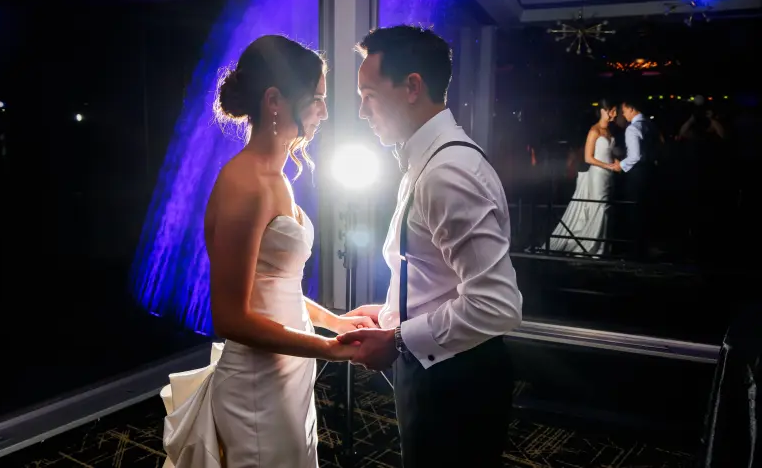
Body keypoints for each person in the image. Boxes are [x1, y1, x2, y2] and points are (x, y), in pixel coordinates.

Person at [163, 35, 376, 468]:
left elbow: (276, 288)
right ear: (275, 100)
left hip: (289, 371)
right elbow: (230, 316)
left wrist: (335, 322)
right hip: (258, 383)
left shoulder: (278, 177)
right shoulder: (245, 184)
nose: (325, 111)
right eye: (316, 98)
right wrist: (329, 349)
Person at [337, 25, 523, 468]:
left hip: (456, 378)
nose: (361, 111)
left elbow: (497, 305)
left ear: (412, 87)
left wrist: (398, 337)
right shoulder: (427, 161)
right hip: (439, 365)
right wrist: (388, 316)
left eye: (369, 94)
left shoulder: (447, 171)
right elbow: (432, 272)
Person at [544, 99, 619, 257]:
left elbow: (609, 153)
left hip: (608, 174)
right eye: (612, 110)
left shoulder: (609, 131)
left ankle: (602, 246)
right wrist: (608, 166)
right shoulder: (594, 130)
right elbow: (588, 158)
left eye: (615, 110)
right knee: (600, 207)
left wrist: (615, 161)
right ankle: (593, 246)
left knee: (606, 208)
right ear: (604, 111)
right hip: (598, 174)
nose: (615, 114)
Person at [614, 98, 659, 259]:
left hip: (637, 174)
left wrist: (621, 165)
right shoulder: (649, 124)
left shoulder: (632, 129)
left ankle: (636, 252)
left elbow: (635, 156)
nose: (623, 114)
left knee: (634, 210)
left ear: (631, 109)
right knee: (645, 210)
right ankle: (643, 249)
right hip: (650, 172)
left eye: (624, 110)